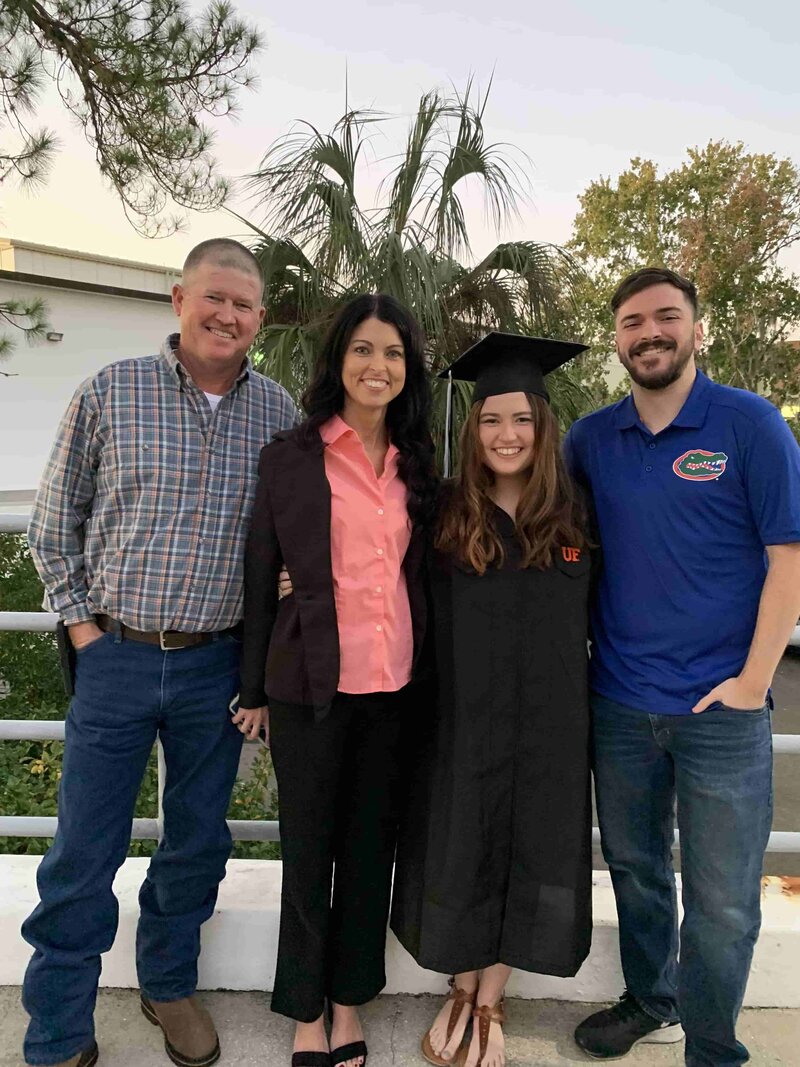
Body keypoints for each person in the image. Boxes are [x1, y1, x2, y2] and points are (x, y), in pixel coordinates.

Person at [22, 238, 297, 1067]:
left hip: (218, 664)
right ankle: (59, 1024)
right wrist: (82, 631)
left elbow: (292, 538)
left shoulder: (277, 414)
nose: (228, 314)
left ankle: (168, 981)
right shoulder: (112, 390)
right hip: (117, 654)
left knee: (198, 841)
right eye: (214, 296)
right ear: (179, 299)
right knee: (84, 848)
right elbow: (50, 525)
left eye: (244, 304)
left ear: (259, 319)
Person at [564, 267, 800, 1066]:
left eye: (667, 317)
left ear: (698, 330)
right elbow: (536, 533)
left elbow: (789, 561)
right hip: (620, 703)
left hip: (723, 714)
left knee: (726, 903)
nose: (650, 332)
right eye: (633, 322)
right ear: (619, 340)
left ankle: (711, 1046)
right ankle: (650, 996)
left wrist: (753, 683)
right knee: (635, 868)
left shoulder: (751, 425)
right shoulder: (590, 439)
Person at [236, 293, 438, 1067]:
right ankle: (305, 1011)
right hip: (307, 689)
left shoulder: (417, 465)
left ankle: (350, 1001)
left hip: (394, 690)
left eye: (391, 352)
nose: (376, 365)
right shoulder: (291, 455)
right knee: (307, 850)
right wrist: (252, 688)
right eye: (362, 349)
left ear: (406, 368)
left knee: (367, 854)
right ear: (338, 361)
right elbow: (262, 574)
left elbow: (425, 576)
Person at [390, 332, 594, 1067]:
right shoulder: (443, 514)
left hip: (552, 730)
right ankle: (461, 981)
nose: (506, 434)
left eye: (522, 420)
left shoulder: (578, 514)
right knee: (464, 847)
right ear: (473, 430)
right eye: (490, 420)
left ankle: (489, 997)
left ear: (543, 428)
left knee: (533, 849)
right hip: (459, 727)